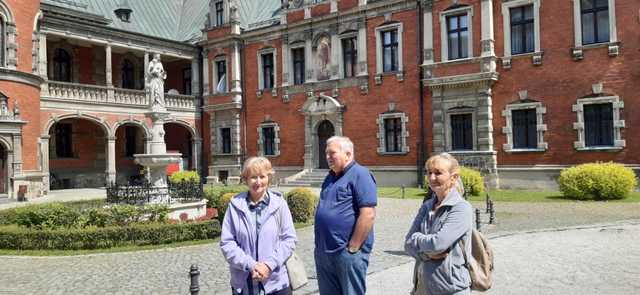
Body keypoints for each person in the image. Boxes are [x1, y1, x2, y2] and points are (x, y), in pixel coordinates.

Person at [220, 157, 297, 295]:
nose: (258, 182)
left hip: (276, 284)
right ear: (246, 179)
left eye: (262, 176)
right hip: (244, 285)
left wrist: (268, 265)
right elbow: (227, 243)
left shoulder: (279, 204)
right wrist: (251, 265)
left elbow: (289, 240)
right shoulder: (235, 206)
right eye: (253, 177)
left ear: (269, 178)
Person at [314, 136, 377, 295]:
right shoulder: (330, 177)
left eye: (332, 153)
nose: (327, 157)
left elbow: (368, 214)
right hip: (324, 253)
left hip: (346, 253)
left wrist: (353, 247)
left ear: (348, 154)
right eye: (326, 153)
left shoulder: (360, 174)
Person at [405, 153, 473, 295]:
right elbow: (407, 244)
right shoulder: (427, 206)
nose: (431, 178)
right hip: (422, 286)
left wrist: (417, 239)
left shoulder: (461, 208)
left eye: (438, 173)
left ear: (453, 177)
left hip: (450, 288)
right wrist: (427, 255)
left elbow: (438, 244)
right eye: (429, 173)